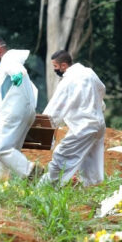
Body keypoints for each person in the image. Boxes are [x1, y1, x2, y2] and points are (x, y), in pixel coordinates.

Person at [40, 50, 106, 186]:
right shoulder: (89, 72)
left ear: (63, 66)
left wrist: (44, 126)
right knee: (91, 159)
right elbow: (101, 89)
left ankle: (47, 186)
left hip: (83, 126)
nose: (54, 70)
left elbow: (56, 107)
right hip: (99, 124)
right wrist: (98, 107)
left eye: (55, 67)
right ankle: (92, 187)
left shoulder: (68, 81)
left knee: (61, 155)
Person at [0, 38, 41, 181]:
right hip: (23, 112)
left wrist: (16, 79)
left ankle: (29, 170)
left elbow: (19, 73)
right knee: (9, 149)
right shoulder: (11, 61)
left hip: (13, 112)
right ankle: (4, 184)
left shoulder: (8, 59)